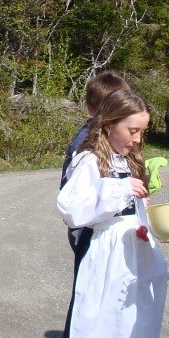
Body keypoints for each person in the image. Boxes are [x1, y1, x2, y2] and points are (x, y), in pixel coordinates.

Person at [53, 88, 169, 338]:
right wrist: (120, 189)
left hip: (135, 257)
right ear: (108, 123)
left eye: (141, 132)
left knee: (141, 335)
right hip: (106, 259)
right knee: (111, 335)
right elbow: (72, 209)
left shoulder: (128, 157)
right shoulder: (90, 159)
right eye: (132, 130)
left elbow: (138, 210)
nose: (138, 139)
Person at [61, 70, 129, 252]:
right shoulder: (85, 144)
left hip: (111, 224)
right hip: (86, 229)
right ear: (92, 110)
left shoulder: (115, 137)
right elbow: (73, 197)